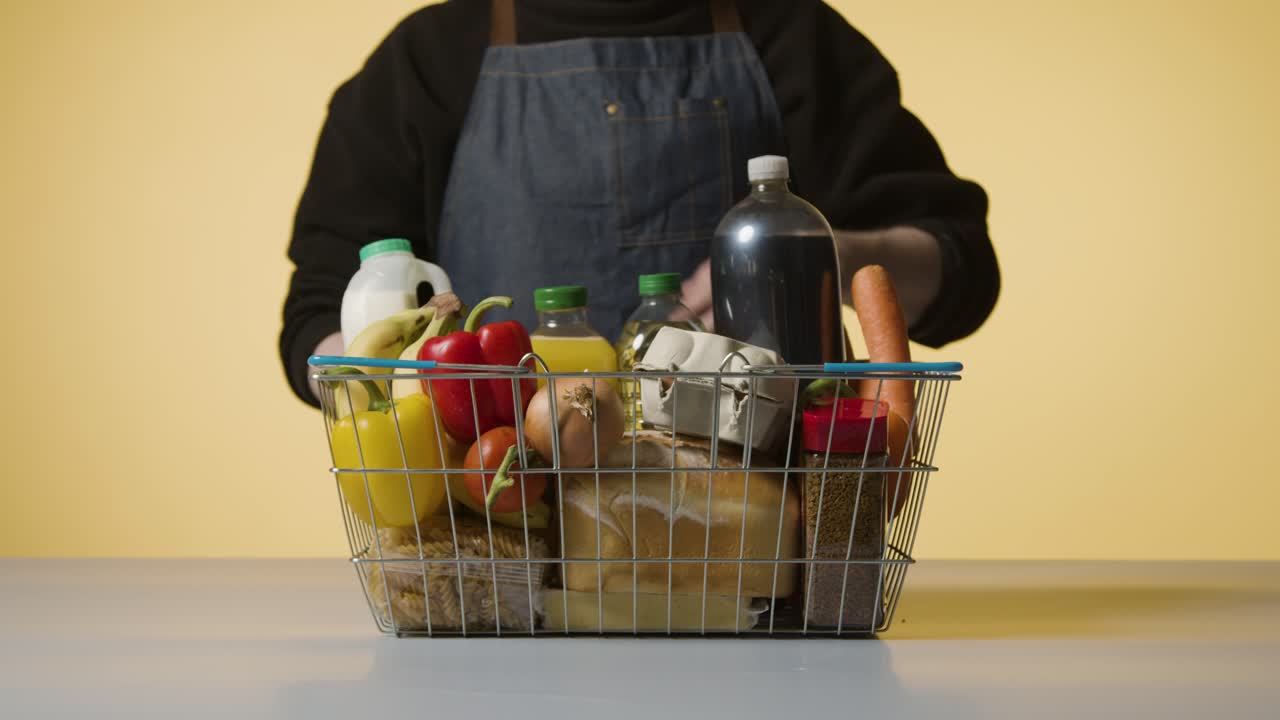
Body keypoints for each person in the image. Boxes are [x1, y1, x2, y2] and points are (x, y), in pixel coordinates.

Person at [280, 0, 999, 407]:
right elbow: (318, 312)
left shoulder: (794, 36)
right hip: (499, 534)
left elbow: (962, 275)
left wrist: (827, 256)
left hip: (760, 537)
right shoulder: (428, 59)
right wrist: (386, 381)